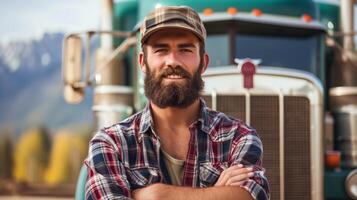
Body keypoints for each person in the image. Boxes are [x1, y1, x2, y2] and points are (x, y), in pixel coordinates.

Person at [85, 6, 269, 200]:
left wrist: (156, 195)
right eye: (161, 50)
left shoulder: (238, 137)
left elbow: (251, 196)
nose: (172, 61)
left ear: (203, 63)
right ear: (142, 62)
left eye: (185, 50)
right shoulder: (111, 143)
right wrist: (219, 193)